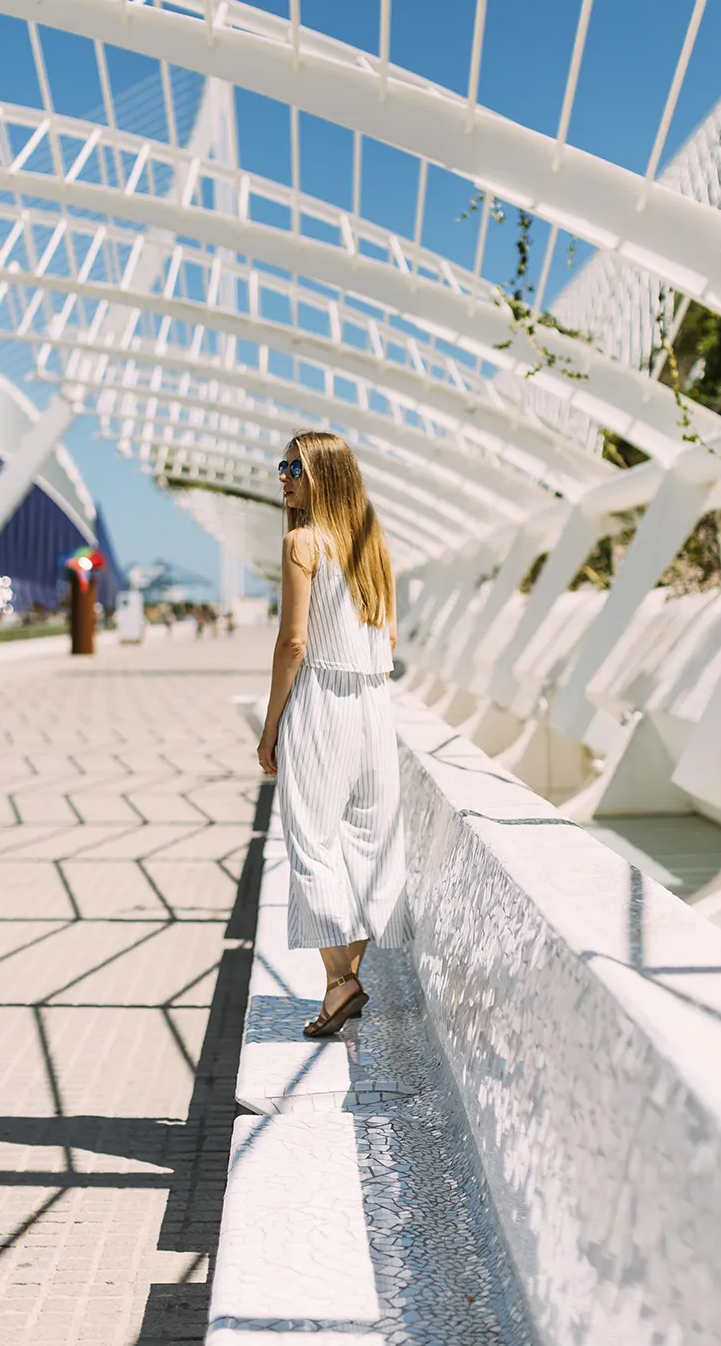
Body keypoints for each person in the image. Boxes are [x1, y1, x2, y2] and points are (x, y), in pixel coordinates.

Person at [257, 431, 409, 1038]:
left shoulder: (301, 544)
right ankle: (340, 985)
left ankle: (339, 983)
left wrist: (271, 727)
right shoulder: (374, 548)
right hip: (375, 705)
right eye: (282, 465)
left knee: (313, 842)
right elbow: (389, 638)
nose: (284, 476)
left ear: (325, 475)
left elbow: (293, 643)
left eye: (296, 467)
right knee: (370, 842)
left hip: (321, 704)